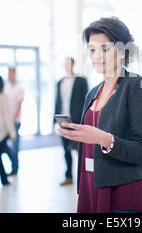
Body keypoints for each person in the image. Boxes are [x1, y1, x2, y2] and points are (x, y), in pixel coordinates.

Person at [58, 17, 142, 213]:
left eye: (105, 49)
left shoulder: (137, 86)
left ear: (122, 51)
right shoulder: (92, 92)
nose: (97, 56)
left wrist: (104, 139)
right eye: (92, 50)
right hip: (91, 184)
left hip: (125, 188)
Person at [54, 57, 89, 186]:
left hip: (77, 120)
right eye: (65, 63)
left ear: (73, 64)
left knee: (80, 150)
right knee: (66, 150)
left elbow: (87, 100)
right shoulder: (60, 82)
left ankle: (84, 177)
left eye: (69, 63)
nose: (67, 66)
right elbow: (57, 101)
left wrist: (85, 120)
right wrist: (54, 119)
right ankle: (68, 176)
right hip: (63, 120)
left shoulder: (81, 81)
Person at [4, 67, 24, 176]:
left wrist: (14, 118)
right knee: (4, 145)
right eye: (8, 74)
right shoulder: (7, 88)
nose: (9, 76)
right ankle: (14, 163)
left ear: (15, 75)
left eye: (11, 74)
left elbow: (20, 104)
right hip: (7, 121)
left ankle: (15, 168)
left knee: (15, 145)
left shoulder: (19, 88)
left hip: (15, 121)